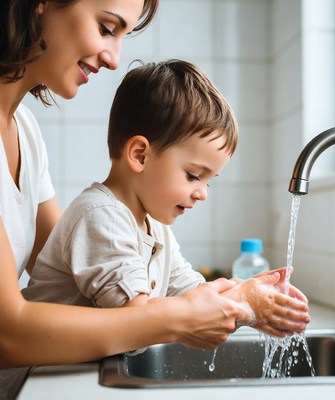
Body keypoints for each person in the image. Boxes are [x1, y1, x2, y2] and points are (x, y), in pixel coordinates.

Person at [0, 0, 309, 380]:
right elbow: (8, 332)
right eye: (107, 27)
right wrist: (217, 310)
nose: (114, 59)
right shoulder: (100, 214)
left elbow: (56, 261)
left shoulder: (27, 134)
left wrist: (247, 298)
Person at [22, 59, 310, 344]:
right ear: (140, 155)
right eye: (194, 175)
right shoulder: (101, 217)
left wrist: (246, 293)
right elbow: (135, 318)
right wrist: (241, 304)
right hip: (33, 381)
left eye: (209, 180)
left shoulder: (154, 227)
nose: (202, 192)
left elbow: (190, 291)